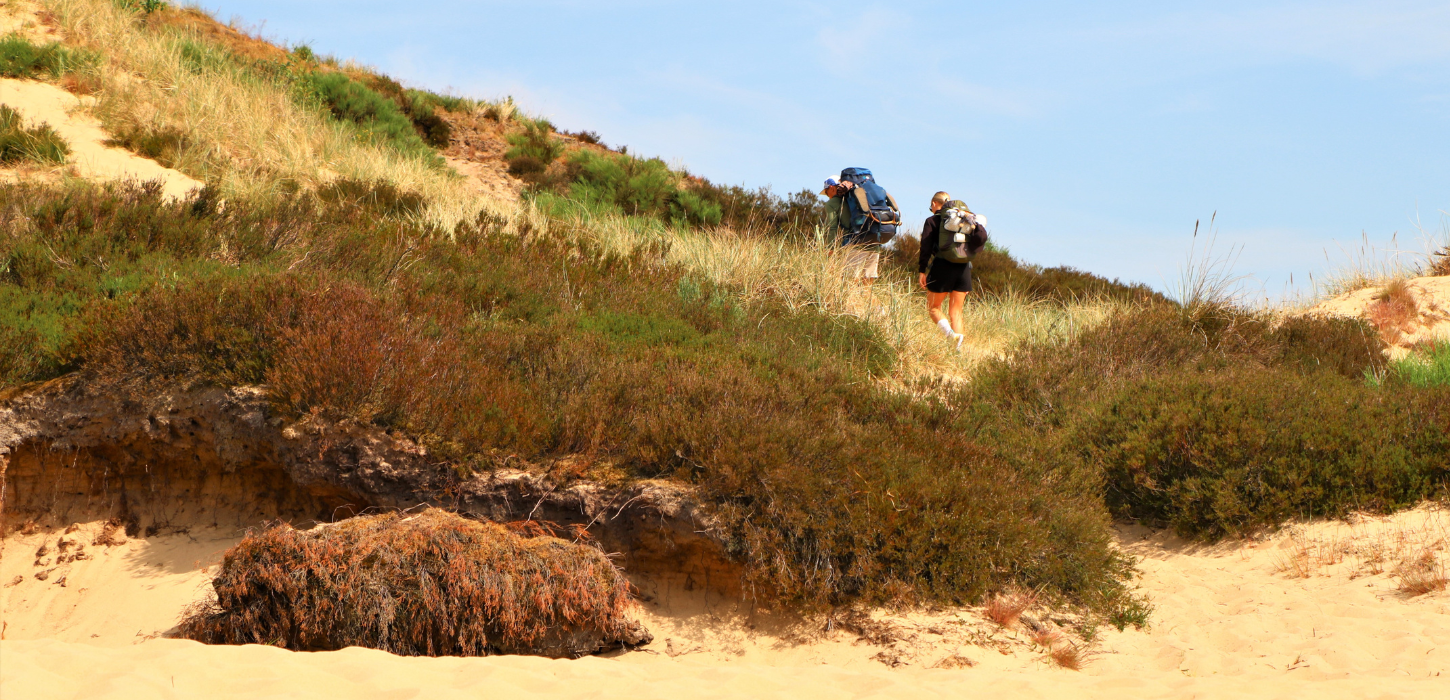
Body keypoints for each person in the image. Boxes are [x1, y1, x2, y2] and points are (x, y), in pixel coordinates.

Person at [918, 191, 985, 349]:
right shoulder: (964, 219)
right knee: (956, 311)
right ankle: (957, 351)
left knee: (934, 308)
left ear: (935, 204)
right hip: (964, 268)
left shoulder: (932, 220)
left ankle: (950, 335)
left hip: (942, 265)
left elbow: (925, 247)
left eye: (931, 206)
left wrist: (922, 270)